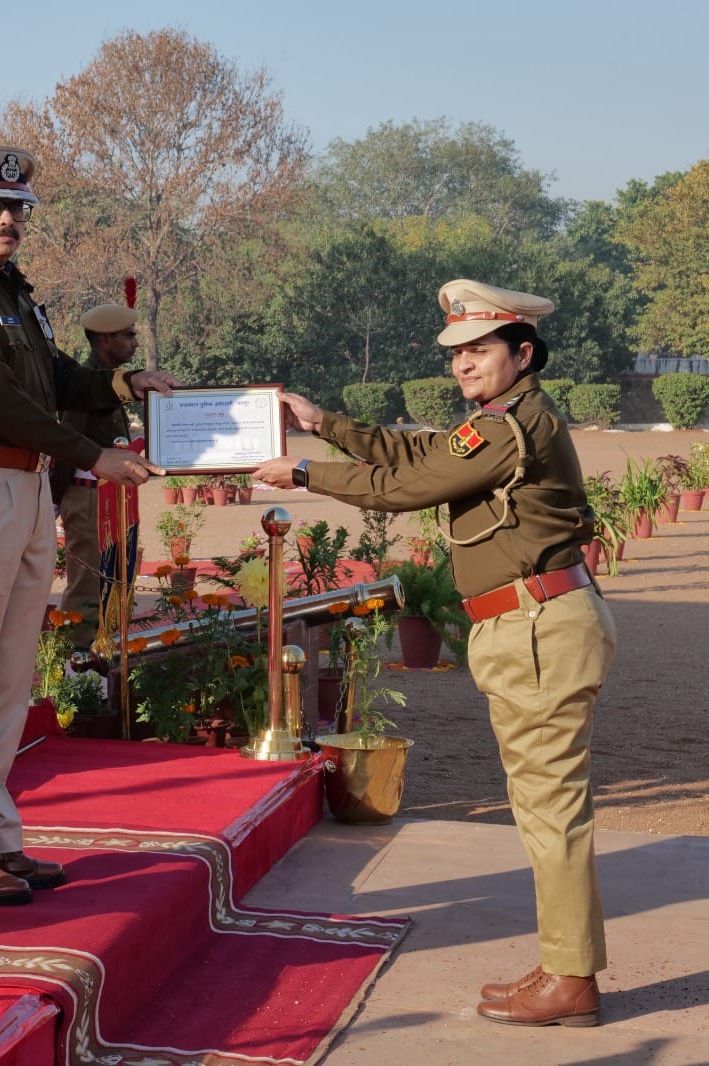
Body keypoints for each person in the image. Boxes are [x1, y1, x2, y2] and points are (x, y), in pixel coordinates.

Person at [254, 279, 616, 1028]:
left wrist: (306, 473)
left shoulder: (508, 427)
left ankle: (572, 977)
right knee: (543, 806)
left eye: (480, 349)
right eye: (455, 352)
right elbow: (419, 452)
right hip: (532, 622)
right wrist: (327, 425)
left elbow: (410, 484)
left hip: (537, 624)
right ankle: (561, 964)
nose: (463, 363)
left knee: (551, 808)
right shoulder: (496, 422)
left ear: (523, 352)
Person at [0, 146, 176, 905]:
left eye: (15, 210)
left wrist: (123, 379)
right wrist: (92, 452)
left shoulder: (13, 295)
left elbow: (53, 377)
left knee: (7, 672)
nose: (5, 220)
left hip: (20, 484)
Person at [51, 303, 140, 648]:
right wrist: (56, 499)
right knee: (88, 586)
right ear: (105, 340)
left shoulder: (104, 382)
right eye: (127, 335)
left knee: (115, 582)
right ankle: (76, 669)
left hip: (109, 495)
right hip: (88, 497)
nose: (134, 343)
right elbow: (67, 443)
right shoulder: (87, 384)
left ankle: (100, 663)